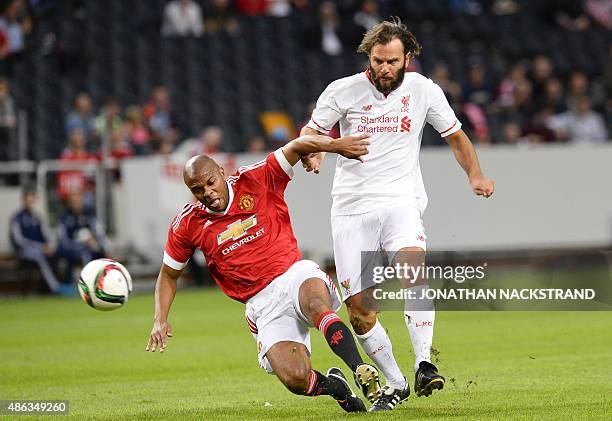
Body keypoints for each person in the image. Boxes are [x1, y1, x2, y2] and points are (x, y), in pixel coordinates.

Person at [300, 18, 495, 411]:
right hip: (351, 209)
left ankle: (424, 362)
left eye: (392, 61)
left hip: (401, 200)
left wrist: (475, 174)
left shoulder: (424, 90)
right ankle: (396, 381)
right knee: (359, 313)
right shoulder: (343, 90)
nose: (384, 68)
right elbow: (311, 131)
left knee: (412, 270)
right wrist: (320, 149)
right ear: (368, 58)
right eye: (377, 61)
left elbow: (456, 136)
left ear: (408, 57)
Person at [146, 134, 382, 412]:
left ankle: (361, 369)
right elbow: (168, 275)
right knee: (296, 378)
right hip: (262, 302)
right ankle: (337, 388)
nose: (207, 192)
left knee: (316, 304)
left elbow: (297, 145)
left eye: (211, 183)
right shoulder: (187, 224)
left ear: (222, 172)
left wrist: (336, 146)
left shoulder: (256, 179)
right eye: (198, 190)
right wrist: (160, 319)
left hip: (294, 274)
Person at [10, 186, 61, 293]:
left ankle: (53, 286)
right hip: (23, 251)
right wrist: (40, 247)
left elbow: (44, 235)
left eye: (32, 199)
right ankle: (55, 287)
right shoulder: (17, 218)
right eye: (28, 199)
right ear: (23, 200)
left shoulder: (37, 217)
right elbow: (19, 240)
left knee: (56, 254)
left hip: (40, 249)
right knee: (39, 257)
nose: (30, 202)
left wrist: (48, 246)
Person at [56, 191, 110, 285]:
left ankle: (105, 282)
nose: (76, 204)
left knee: (103, 252)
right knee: (82, 253)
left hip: (88, 246)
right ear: (69, 203)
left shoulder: (88, 215)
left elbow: (99, 232)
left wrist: (106, 247)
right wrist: (81, 243)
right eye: (73, 201)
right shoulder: (63, 217)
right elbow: (63, 240)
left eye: (78, 201)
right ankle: (83, 283)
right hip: (70, 247)